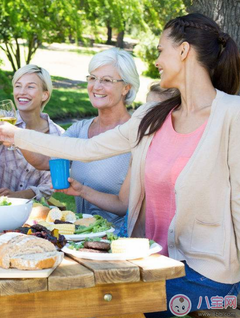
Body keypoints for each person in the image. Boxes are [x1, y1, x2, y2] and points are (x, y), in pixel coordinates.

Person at [0, 13, 240, 317]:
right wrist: (17, 135)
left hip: (204, 276)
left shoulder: (232, 115)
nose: (157, 60)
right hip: (151, 262)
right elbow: (87, 148)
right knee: (73, 297)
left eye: (161, 50)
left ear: (184, 51)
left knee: (93, 305)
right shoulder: (153, 115)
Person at [19, 48, 140, 231]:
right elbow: (45, 160)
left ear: (126, 87)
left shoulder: (136, 136)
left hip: (117, 241)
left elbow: (124, 206)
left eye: (106, 80)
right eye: (92, 78)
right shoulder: (79, 129)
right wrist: (15, 136)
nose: (96, 86)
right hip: (80, 237)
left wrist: (83, 191)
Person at [60, 83, 179, 237]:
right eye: (144, 108)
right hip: (139, 239)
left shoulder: (180, 156)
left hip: (172, 240)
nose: (143, 116)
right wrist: (81, 191)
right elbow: (122, 204)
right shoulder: (139, 151)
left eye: (154, 110)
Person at [0, 64, 64, 200]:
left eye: (30, 86)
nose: (22, 92)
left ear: (44, 95)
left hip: (32, 212)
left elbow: (52, 184)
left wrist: (19, 196)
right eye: (18, 86)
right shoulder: (1, 119)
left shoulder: (58, 135)